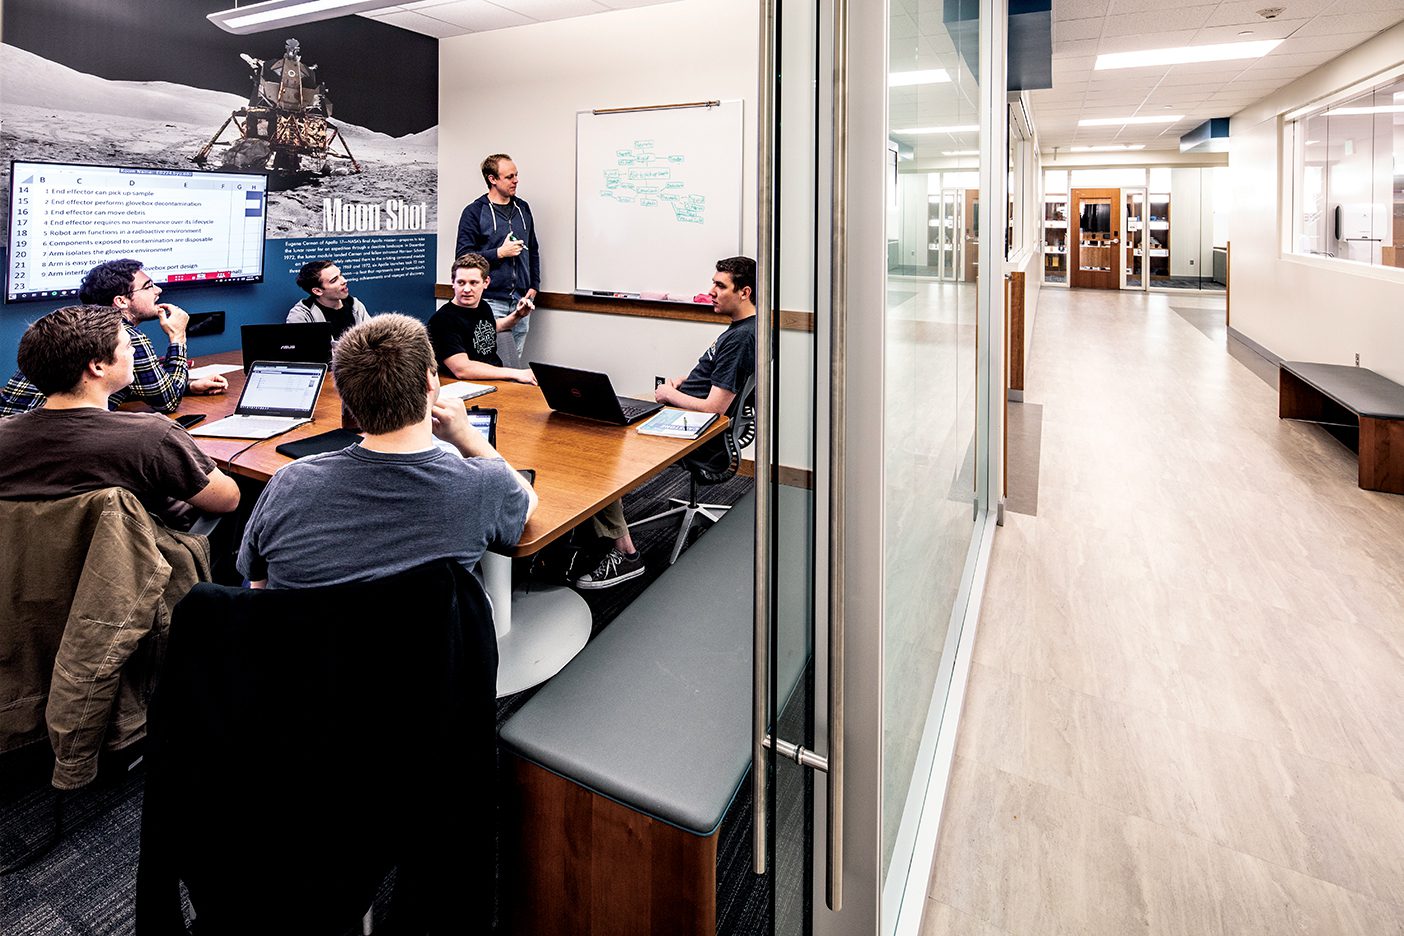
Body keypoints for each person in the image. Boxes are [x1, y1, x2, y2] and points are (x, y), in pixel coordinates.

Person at [238, 313, 538, 590]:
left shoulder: (289, 482)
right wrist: (469, 438)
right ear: (431, 381)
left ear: (344, 394)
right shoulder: (484, 483)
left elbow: (259, 586)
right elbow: (527, 500)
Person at [574, 257, 758, 589]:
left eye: (720, 286)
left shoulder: (741, 339)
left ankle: (626, 554)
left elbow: (714, 408)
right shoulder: (747, 328)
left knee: (599, 453)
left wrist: (668, 396)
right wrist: (680, 381)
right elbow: (714, 371)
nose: (711, 291)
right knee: (608, 415)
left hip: (698, 429)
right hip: (685, 413)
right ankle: (593, 526)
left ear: (744, 292)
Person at [0, 305, 241, 526]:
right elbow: (227, 499)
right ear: (97, 366)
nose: (134, 351)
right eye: (127, 346)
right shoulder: (151, 435)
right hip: (134, 566)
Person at [0, 259, 229, 417]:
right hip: (56, 447)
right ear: (121, 301)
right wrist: (178, 337)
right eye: (148, 286)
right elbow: (167, 401)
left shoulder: (67, 326)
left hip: (15, 439)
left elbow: (130, 384)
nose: (158, 290)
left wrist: (188, 386)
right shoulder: (124, 336)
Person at [454, 154, 540, 359]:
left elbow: (533, 249)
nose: (516, 180)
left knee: (513, 364)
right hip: (490, 302)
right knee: (488, 362)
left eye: (516, 175)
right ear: (492, 179)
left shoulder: (523, 208)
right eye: (509, 177)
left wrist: (534, 285)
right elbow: (462, 258)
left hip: (521, 300)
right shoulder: (474, 212)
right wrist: (499, 253)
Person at [427, 254, 537, 385]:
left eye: (473, 283)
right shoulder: (442, 320)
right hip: (467, 386)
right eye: (461, 282)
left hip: (496, 381)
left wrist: (518, 315)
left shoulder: (483, 307)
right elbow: (462, 370)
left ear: (486, 283)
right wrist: (517, 373)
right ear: (453, 283)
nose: (467, 289)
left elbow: (491, 327)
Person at [286, 260, 370, 338]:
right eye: (334, 280)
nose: (344, 281)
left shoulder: (355, 305)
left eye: (341, 275)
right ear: (318, 291)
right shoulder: (300, 316)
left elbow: (372, 339)